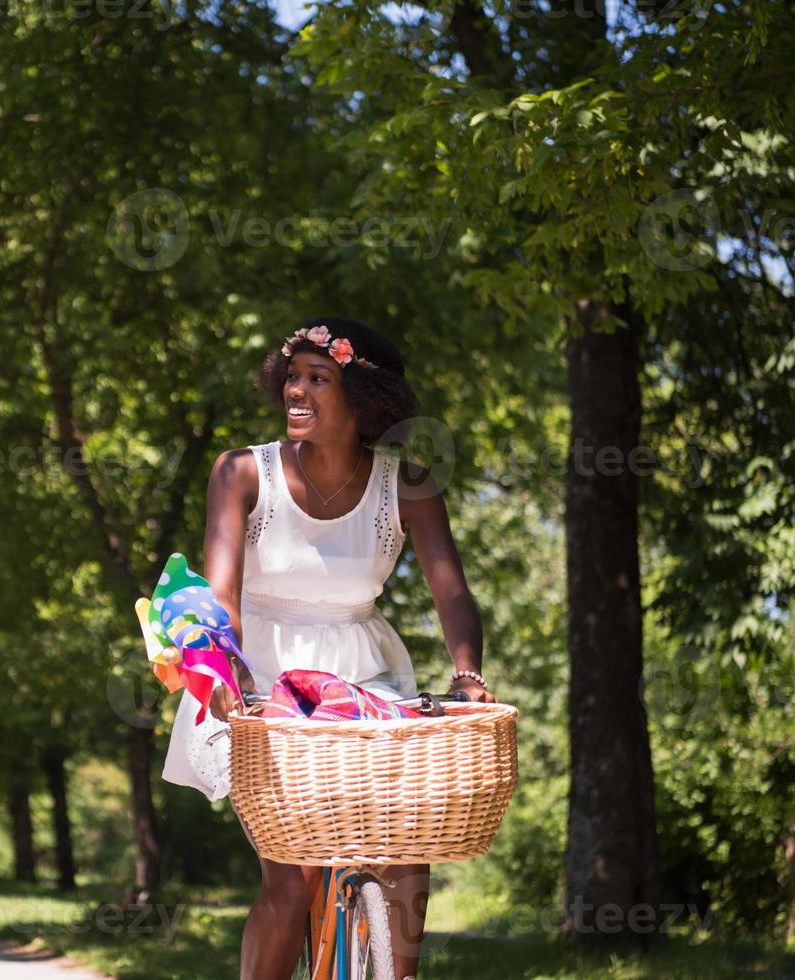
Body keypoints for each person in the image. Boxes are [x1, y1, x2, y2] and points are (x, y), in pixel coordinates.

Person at [163, 317, 490, 979]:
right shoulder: (240, 472)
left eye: (319, 378)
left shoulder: (407, 483)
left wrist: (466, 672)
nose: (296, 390)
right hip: (255, 677)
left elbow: (450, 591)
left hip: (362, 678)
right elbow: (219, 591)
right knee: (292, 878)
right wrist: (222, 672)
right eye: (292, 375)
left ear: (363, 399)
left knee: (408, 845)